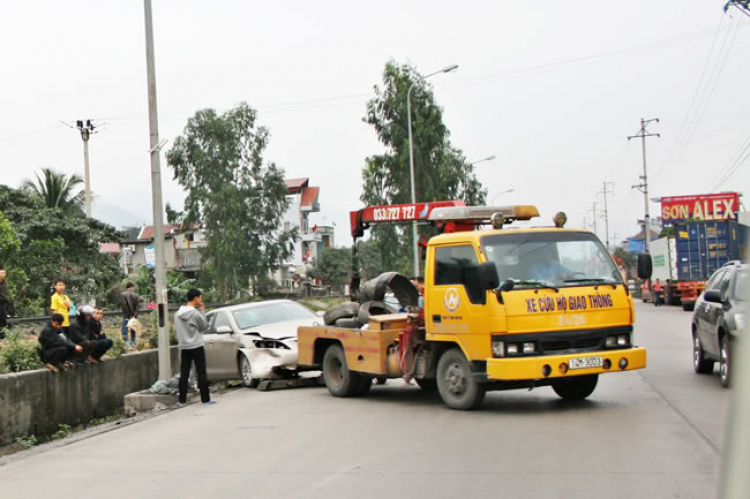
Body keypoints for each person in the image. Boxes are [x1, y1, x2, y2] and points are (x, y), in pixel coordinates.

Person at [174, 288, 214, 406]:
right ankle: (205, 399)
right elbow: (204, 326)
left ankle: (182, 400)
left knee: (184, 373)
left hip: (184, 347)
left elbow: (175, 329)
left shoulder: (177, 314)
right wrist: (202, 310)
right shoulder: (195, 313)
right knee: (201, 371)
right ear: (196, 298)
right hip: (196, 345)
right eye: (200, 297)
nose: (201, 299)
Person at [120, 283, 140, 348]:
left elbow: (124, 305)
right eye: (133, 287)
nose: (134, 289)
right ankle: (133, 342)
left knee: (124, 330)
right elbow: (137, 307)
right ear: (131, 287)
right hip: (134, 316)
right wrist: (134, 315)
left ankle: (126, 343)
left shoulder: (123, 294)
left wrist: (129, 315)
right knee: (133, 329)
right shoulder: (136, 296)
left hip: (126, 315)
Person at [0, 267, 9, 338]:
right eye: (2, 273)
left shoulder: (4, 282)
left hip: (4, 303)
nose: (4, 274)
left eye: (4, 273)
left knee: (3, 318)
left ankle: (2, 335)